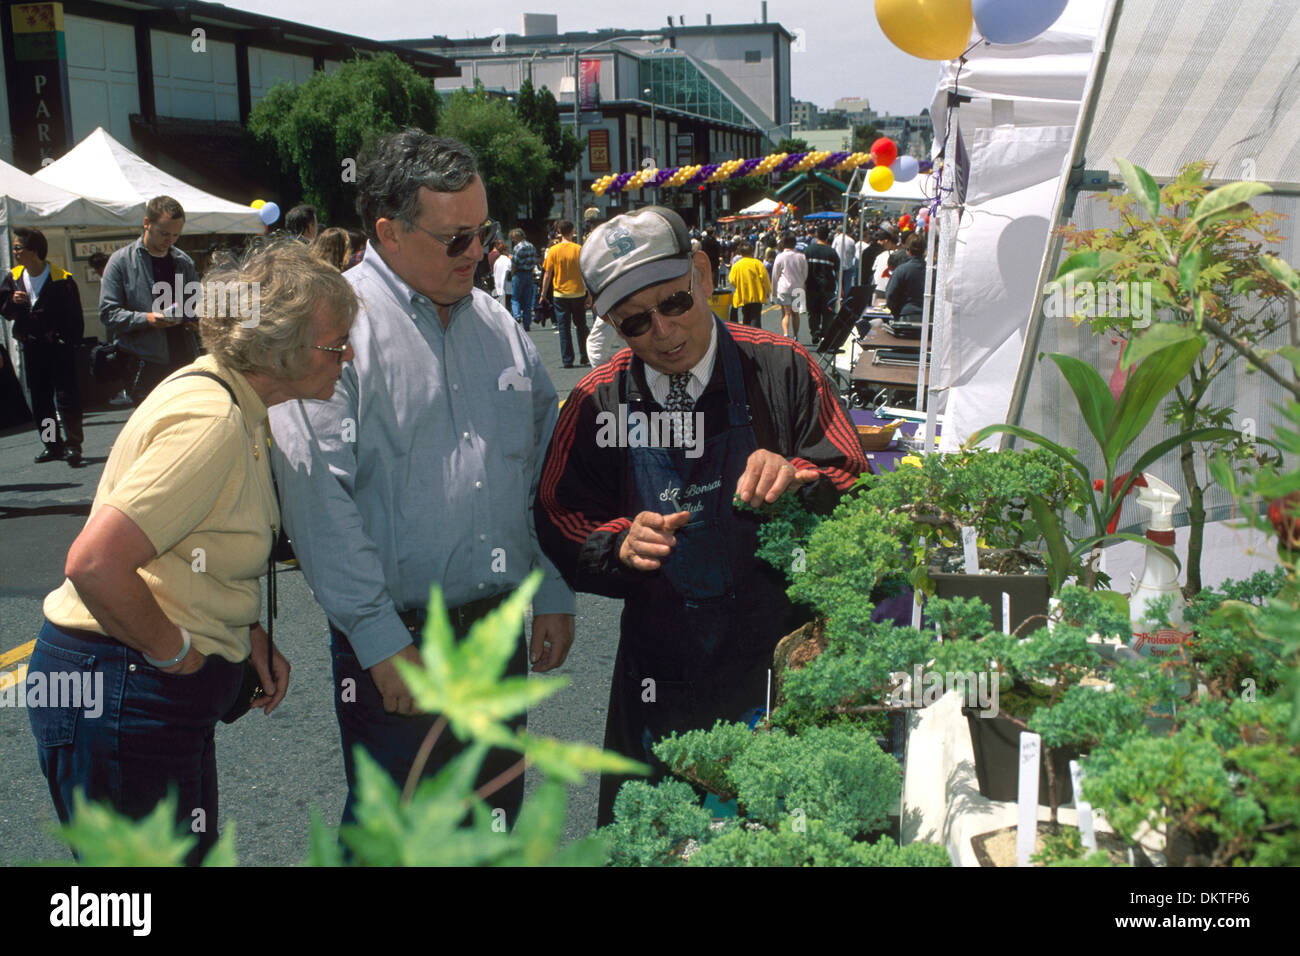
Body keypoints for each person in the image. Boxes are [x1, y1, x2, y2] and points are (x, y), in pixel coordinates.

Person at [269, 129, 576, 827]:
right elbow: (317, 500)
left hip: (497, 639)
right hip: (401, 649)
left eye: (485, 234)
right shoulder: (333, 330)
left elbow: (539, 466)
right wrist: (380, 642)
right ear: (389, 231)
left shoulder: (500, 326)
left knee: (491, 825)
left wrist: (553, 586)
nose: (479, 253)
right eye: (456, 239)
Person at [534, 205, 869, 827]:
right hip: (661, 670)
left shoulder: (782, 367)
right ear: (609, 322)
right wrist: (617, 543)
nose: (662, 332)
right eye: (634, 321)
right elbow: (558, 512)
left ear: (701, 270)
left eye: (675, 303)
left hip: (782, 661)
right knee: (654, 838)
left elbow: (852, 476)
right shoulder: (595, 400)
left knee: (783, 835)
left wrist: (801, 480)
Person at [29, 240, 346, 864]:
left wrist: (242, 629)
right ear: (280, 348)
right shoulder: (214, 421)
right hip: (122, 680)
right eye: (335, 345)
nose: (348, 355)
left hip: (125, 679)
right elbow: (95, 563)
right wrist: (178, 658)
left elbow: (194, 545)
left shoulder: (232, 400)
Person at [99, 195, 199, 404]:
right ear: (146, 223)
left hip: (183, 360)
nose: (169, 240)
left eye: (175, 235)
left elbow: (196, 304)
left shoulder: (183, 261)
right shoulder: (120, 262)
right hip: (143, 363)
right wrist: (147, 319)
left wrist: (194, 318)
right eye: (164, 233)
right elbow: (108, 313)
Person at [1, 227, 85, 465]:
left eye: (18, 248)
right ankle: (53, 445)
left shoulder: (62, 278)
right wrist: (12, 302)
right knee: (41, 399)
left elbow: (75, 318)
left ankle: (73, 445)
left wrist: (68, 341)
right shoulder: (14, 277)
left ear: (34, 251)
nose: (15, 252)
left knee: (67, 396)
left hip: (58, 347)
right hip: (32, 346)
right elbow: (4, 311)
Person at [541, 219, 589, 367]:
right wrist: (590, 294)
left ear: (559, 232)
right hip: (578, 292)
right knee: (581, 326)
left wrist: (543, 294)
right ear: (573, 231)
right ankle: (585, 355)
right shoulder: (579, 249)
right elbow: (585, 272)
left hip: (560, 294)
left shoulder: (553, 251)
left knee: (564, 328)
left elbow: (547, 274)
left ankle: (567, 359)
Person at [803, 225, 840, 346]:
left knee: (813, 312)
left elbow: (802, 270)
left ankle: (815, 333)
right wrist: (841, 288)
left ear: (816, 235)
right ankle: (825, 334)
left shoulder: (808, 250)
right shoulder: (832, 253)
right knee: (827, 312)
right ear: (828, 236)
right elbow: (838, 273)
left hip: (811, 287)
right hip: (828, 288)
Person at [769, 233, 808, 340]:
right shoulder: (801, 256)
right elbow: (805, 273)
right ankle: (796, 336)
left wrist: (773, 292)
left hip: (783, 287)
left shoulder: (780, 257)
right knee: (795, 313)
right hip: (798, 287)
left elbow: (775, 275)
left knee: (786, 313)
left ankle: (786, 335)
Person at [886, 231, 929, 322]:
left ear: (908, 250)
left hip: (906, 316)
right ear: (924, 250)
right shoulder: (932, 271)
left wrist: (896, 312)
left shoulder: (901, 270)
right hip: (928, 317)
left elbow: (890, 296)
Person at [727, 241, 771, 328]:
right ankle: (756, 337)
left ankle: (747, 336)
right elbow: (765, 279)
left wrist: (739, 285)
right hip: (757, 295)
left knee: (746, 316)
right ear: (752, 252)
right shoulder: (757, 263)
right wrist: (767, 291)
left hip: (743, 295)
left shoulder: (737, 265)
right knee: (755, 317)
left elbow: (732, 280)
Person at [509, 227, 538, 331]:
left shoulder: (518, 247)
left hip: (519, 274)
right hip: (529, 274)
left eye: (513, 238)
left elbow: (514, 263)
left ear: (518, 236)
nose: (513, 240)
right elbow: (535, 260)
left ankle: (517, 316)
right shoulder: (531, 246)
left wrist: (512, 275)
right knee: (527, 300)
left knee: (515, 298)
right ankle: (527, 323)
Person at [491, 238, 512, 312]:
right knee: (508, 309)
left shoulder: (497, 261)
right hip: (507, 288)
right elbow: (509, 273)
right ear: (505, 251)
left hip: (498, 288)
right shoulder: (508, 260)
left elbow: (494, 273)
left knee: (499, 310)